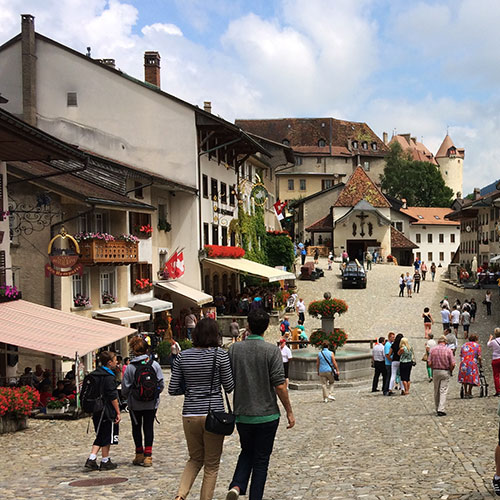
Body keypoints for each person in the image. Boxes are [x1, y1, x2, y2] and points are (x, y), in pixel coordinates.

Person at [225, 309, 295, 500]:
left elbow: (228, 380)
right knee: (261, 460)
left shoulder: (234, 350)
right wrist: (289, 411)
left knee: (247, 451)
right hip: (267, 414)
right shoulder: (272, 351)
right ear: (266, 328)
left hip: (243, 413)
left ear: (247, 326)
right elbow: (280, 385)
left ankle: (237, 485)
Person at [169, 318, 234, 500]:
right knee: (211, 465)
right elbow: (229, 386)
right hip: (213, 414)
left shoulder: (183, 356)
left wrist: (190, 388)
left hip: (190, 413)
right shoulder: (220, 355)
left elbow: (173, 388)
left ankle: (180, 496)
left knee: (195, 459)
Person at [122, 337, 164, 467]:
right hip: (151, 403)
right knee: (148, 427)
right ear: (147, 350)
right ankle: (148, 456)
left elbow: (125, 387)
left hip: (135, 403)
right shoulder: (154, 365)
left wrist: (128, 397)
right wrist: (154, 394)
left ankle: (138, 454)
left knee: (136, 427)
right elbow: (161, 384)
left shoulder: (130, 367)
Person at [84, 351, 121, 471]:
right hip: (107, 409)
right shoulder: (108, 377)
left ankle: (96, 458)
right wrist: (118, 411)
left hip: (96, 409)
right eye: (115, 360)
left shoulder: (94, 374)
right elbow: (112, 396)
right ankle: (101, 460)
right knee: (106, 434)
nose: (117, 362)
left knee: (101, 434)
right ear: (109, 362)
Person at [428, 336, 455, 416]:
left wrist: (433, 368)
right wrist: (450, 370)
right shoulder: (448, 350)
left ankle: (437, 408)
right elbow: (453, 363)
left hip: (435, 371)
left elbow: (429, 363)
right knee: (443, 390)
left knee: (436, 390)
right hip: (445, 371)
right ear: (445, 342)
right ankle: (441, 408)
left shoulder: (433, 350)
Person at [458, 334, 482, 399]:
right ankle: (469, 391)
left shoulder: (464, 345)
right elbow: (479, 357)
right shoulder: (477, 346)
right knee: (471, 377)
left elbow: (461, 355)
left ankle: (465, 392)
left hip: (464, 363)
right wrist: (480, 363)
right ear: (476, 340)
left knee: (465, 377)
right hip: (472, 363)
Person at [488, 328, 500, 397]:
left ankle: (498, 391)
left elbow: (488, 345)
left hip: (495, 359)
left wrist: (490, 338)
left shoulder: (493, 341)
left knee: (496, 376)